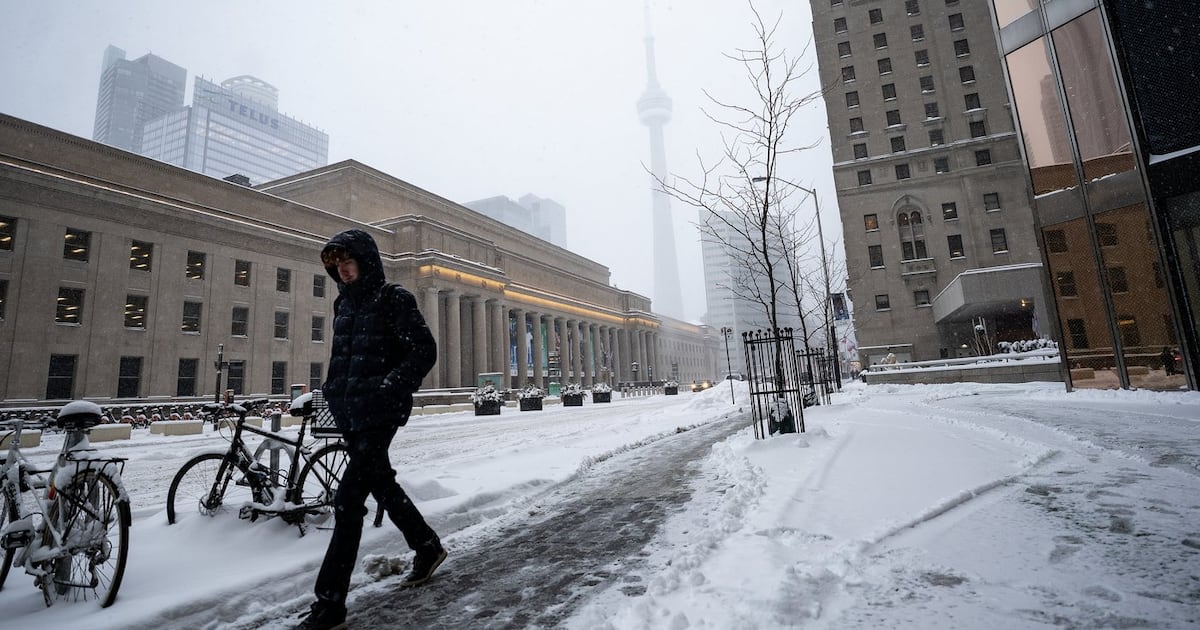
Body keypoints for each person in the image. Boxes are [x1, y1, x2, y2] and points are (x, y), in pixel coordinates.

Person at [298, 229, 443, 630]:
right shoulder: (343, 304)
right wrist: (332, 392)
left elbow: (424, 350)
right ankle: (427, 546)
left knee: (347, 502)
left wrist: (389, 386)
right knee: (381, 484)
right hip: (351, 414)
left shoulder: (394, 298)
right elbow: (341, 358)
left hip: (381, 412)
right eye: (338, 266)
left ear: (366, 261)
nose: (344, 271)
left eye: (349, 262)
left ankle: (330, 604)